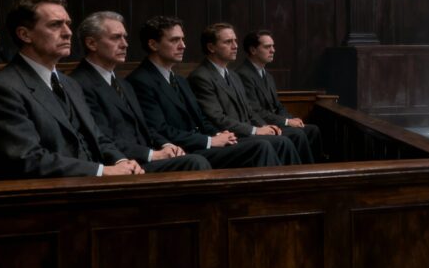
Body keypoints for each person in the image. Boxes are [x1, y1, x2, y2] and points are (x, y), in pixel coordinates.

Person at [0, 0, 144, 180]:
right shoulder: (1, 89)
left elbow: (97, 137)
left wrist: (120, 162)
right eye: (55, 24)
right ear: (24, 34)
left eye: (67, 23)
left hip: (91, 186)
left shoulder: (70, 83)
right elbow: (27, 160)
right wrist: (102, 171)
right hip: (47, 199)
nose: (68, 32)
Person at [126, 16, 298, 168]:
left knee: (278, 142)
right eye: (174, 40)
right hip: (183, 149)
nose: (183, 46)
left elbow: (201, 118)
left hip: (202, 142)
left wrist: (219, 134)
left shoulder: (179, 79)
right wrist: (209, 140)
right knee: (262, 146)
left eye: (183, 40)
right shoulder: (141, 80)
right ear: (153, 44)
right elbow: (160, 130)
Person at [69, 11, 210, 172]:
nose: (124, 44)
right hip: (121, 165)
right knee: (195, 162)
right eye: (116, 37)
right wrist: (151, 154)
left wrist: (167, 145)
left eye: (125, 37)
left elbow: (144, 127)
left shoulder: (123, 83)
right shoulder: (78, 83)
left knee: (193, 158)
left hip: (144, 157)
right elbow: (101, 137)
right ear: (91, 43)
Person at [188, 23, 313, 164]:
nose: (235, 46)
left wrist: (264, 127)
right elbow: (217, 119)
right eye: (228, 42)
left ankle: (302, 182)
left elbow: (249, 110)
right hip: (229, 136)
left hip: (246, 131)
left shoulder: (233, 75)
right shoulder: (201, 76)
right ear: (211, 47)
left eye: (235, 41)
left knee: (285, 138)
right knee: (280, 142)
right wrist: (254, 130)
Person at [236, 30, 326, 161]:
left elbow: (278, 106)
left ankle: (317, 169)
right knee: (298, 134)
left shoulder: (267, 75)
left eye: (273, 46)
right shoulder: (243, 74)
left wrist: (292, 119)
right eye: (267, 47)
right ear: (253, 50)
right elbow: (255, 110)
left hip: (275, 121)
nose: (273, 50)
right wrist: (287, 122)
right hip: (262, 124)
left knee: (313, 130)